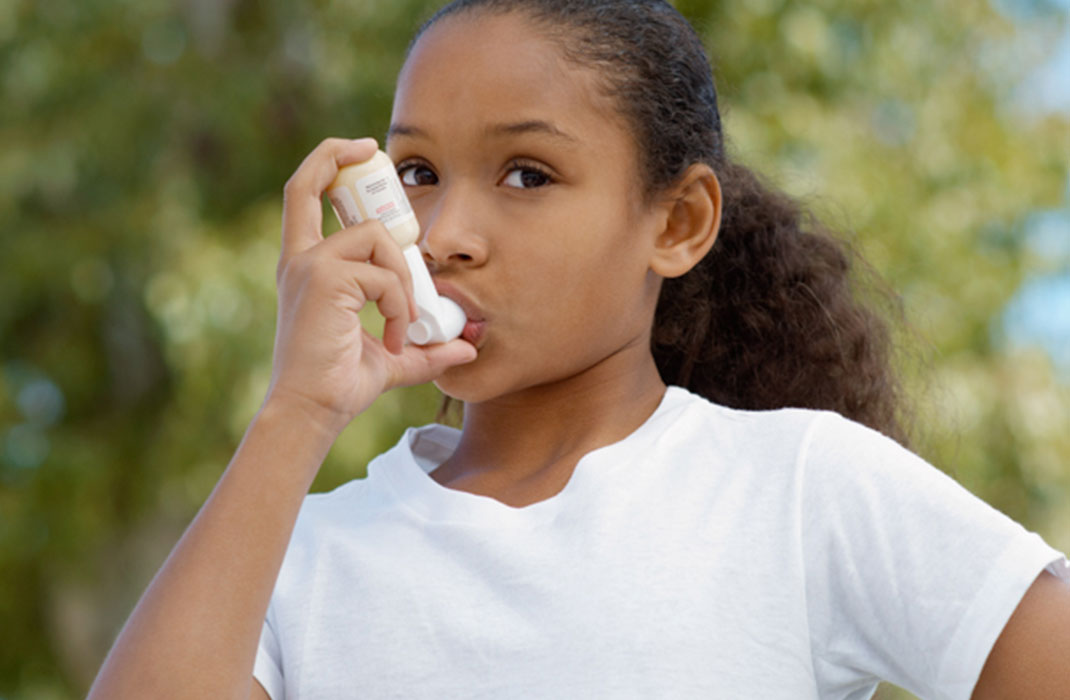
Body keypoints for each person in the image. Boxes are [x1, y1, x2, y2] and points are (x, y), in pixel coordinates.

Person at [89, 1, 1070, 698]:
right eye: (417, 171)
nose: (442, 232)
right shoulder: (297, 556)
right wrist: (294, 412)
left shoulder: (797, 488)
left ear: (677, 222)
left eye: (525, 173)